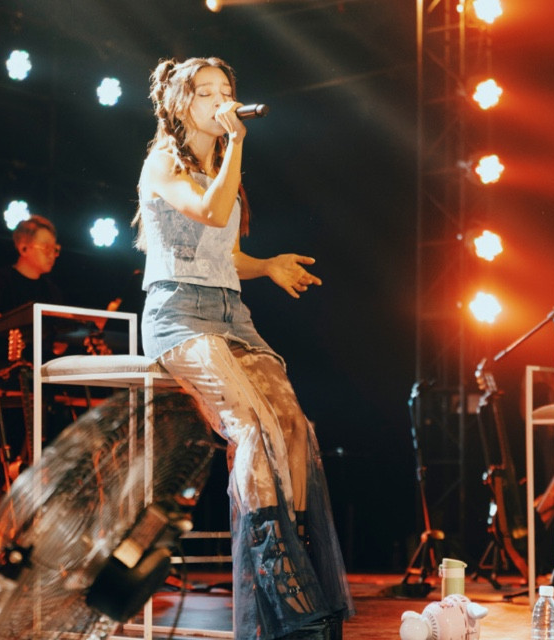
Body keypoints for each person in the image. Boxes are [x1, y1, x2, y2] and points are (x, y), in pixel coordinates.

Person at [133, 56, 354, 639]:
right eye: (205, 92)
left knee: (294, 426)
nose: (220, 100)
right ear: (181, 104)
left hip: (232, 312)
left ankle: (295, 560)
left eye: (225, 90)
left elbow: (224, 255)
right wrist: (235, 143)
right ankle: (281, 581)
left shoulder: (221, 169)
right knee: (251, 426)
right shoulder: (163, 162)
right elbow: (209, 212)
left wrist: (269, 265)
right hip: (180, 313)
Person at [0, 214, 63, 362]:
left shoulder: (52, 291)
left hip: (39, 370)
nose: (52, 255)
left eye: (55, 249)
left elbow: (57, 345)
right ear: (24, 249)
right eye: (46, 248)